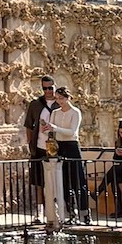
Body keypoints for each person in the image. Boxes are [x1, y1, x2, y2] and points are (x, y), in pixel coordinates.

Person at [49, 85, 87, 218]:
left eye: (61, 98)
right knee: (64, 180)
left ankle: (84, 212)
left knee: (78, 180)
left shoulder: (75, 112)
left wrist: (55, 128)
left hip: (72, 146)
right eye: (57, 98)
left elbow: (72, 132)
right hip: (60, 146)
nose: (59, 101)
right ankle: (70, 211)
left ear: (67, 98)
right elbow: (51, 131)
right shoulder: (55, 113)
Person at [23, 76, 57, 222]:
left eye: (50, 88)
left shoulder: (59, 104)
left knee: (55, 179)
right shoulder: (36, 104)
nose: (48, 91)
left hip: (55, 148)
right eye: (45, 88)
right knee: (38, 181)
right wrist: (31, 143)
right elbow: (29, 126)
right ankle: (39, 212)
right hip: (39, 147)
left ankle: (55, 209)